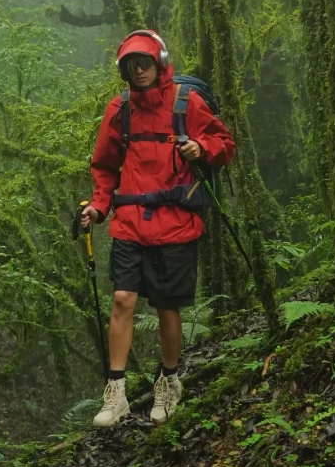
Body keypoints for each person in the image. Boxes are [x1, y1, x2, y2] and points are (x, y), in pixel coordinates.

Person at [80, 30, 236, 427]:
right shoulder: (120, 110)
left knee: (167, 307)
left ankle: (169, 380)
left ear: (160, 62)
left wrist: (201, 149)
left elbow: (225, 144)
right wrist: (99, 209)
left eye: (145, 63)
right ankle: (116, 392)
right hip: (130, 223)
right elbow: (104, 166)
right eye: (132, 66)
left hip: (176, 224)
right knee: (122, 300)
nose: (139, 71)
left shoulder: (187, 103)